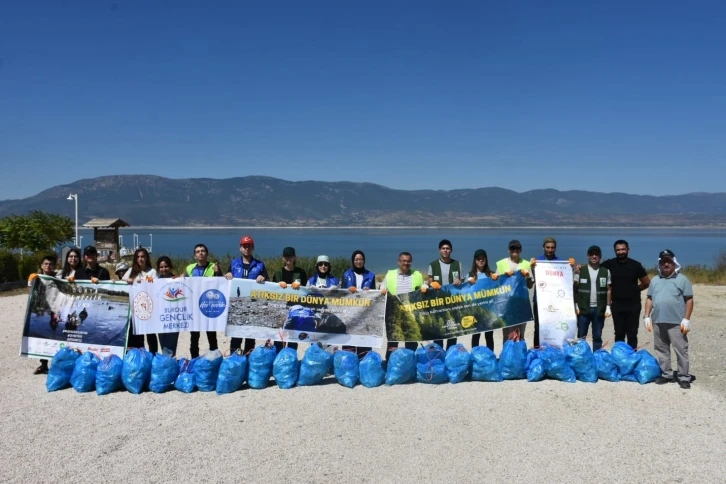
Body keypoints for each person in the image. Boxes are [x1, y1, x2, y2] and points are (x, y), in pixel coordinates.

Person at [644, 250, 694, 389]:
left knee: (681, 350)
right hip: (658, 321)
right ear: (659, 263)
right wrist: (646, 316)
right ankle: (667, 374)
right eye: (663, 261)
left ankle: (684, 377)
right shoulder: (655, 280)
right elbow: (650, 298)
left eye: (669, 261)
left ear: (674, 263)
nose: (666, 264)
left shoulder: (682, 280)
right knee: (661, 349)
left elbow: (689, 300)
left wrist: (686, 319)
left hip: (677, 322)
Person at [601, 239, 650, 348]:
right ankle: (620, 357)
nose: (621, 252)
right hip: (617, 304)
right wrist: (581, 267)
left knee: (632, 334)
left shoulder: (636, 265)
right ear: (615, 251)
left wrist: (635, 290)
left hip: (633, 304)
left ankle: (631, 358)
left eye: (623, 249)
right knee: (619, 334)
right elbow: (595, 269)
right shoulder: (609, 264)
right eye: (618, 250)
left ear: (628, 250)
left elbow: (646, 282)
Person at [225, 235, 268, 355]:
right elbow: (227, 279)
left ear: (253, 248)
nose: (247, 249)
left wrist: (263, 277)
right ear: (240, 248)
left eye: (249, 246)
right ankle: (234, 360)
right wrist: (227, 275)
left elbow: (268, 283)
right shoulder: (233, 264)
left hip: (253, 307)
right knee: (236, 337)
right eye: (244, 246)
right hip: (236, 307)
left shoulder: (260, 265)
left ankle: (248, 360)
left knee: (250, 337)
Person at [529, 237, 574, 348]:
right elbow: (532, 279)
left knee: (556, 326)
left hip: (556, 301)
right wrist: (531, 267)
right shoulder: (537, 261)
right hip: (540, 301)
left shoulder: (561, 262)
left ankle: (556, 349)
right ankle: (537, 351)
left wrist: (571, 267)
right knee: (539, 327)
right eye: (548, 247)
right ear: (543, 247)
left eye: (552, 247)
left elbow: (566, 280)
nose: (550, 250)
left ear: (555, 248)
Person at [381, 252, 425, 360]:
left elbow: (423, 288)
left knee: (411, 342)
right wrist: (382, 289)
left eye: (408, 261)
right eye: (403, 261)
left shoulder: (417, 275)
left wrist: (425, 286)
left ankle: (408, 364)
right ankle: (390, 365)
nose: (406, 263)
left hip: (411, 315)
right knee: (393, 343)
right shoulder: (390, 274)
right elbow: (382, 285)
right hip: (394, 315)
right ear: (398, 262)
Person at [182, 244, 222, 358]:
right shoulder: (190, 268)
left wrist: (218, 273)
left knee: (211, 336)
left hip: (209, 306)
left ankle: (214, 359)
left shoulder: (214, 267)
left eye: (203, 251)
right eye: (198, 251)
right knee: (194, 337)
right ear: (195, 255)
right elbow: (184, 283)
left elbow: (221, 284)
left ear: (207, 254)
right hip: (194, 307)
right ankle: (194, 359)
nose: (200, 253)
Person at [427, 239, 463, 350]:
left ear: (451, 250)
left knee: (452, 329)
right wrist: (432, 284)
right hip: (438, 302)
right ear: (439, 250)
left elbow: (461, 281)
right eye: (443, 248)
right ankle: (438, 354)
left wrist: (459, 281)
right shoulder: (433, 265)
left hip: (453, 302)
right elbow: (429, 281)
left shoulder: (457, 264)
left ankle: (450, 354)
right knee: (439, 330)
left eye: (447, 248)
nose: (445, 250)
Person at [495, 240, 533, 343]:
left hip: (521, 303)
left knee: (520, 333)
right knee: (507, 334)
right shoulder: (501, 264)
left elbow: (530, 285)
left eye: (517, 248)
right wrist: (504, 277)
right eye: (512, 248)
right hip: (506, 304)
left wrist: (528, 276)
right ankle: (507, 356)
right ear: (508, 250)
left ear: (520, 250)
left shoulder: (526, 264)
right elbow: (496, 284)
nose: (515, 250)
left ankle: (519, 356)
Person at [574, 246, 611, 351]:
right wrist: (575, 304)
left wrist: (608, 306)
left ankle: (597, 358)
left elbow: (609, 289)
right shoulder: (581, 270)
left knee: (597, 336)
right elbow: (575, 288)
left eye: (596, 254)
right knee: (581, 336)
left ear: (600, 256)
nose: (594, 256)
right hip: (583, 309)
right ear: (587, 256)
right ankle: (581, 357)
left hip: (599, 309)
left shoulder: (605, 271)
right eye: (591, 254)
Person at [272, 247, 308, 352]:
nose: (289, 258)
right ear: (283, 258)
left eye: (291, 256)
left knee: (293, 336)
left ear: (295, 257)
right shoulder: (278, 273)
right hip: (282, 308)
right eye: (286, 256)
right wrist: (278, 285)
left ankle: (291, 358)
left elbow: (305, 290)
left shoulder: (301, 272)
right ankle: (278, 356)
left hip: (296, 308)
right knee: (280, 336)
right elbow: (272, 289)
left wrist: (300, 286)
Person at [341, 250, 376, 357]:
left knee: (363, 339)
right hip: (350, 313)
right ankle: (349, 364)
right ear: (353, 261)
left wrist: (370, 291)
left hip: (364, 313)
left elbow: (375, 295)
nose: (358, 261)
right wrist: (347, 289)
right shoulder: (346, 275)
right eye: (356, 259)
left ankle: (363, 361)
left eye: (360, 259)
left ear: (364, 261)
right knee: (349, 340)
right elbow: (341, 294)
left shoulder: (371, 275)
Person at [123, 248, 159, 353]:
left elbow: (156, 286)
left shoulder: (152, 272)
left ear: (147, 258)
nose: (140, 259)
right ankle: (137, 354)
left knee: (150, 334)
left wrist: (146, 281)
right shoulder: (130, 271)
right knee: (135, 334)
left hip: (148, 309)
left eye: (143, 256)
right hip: (133, 309)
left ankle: (153, 354)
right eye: (138, 257)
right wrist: (128, 280)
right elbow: (122, 284)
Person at [27, 254, 58, 374]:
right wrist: (30, 282)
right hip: (42, 311)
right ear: (42, 266)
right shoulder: (37, 278)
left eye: (51, 264)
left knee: (54, 335)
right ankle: (43, 364)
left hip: (55, 310)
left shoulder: (59, 278)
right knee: (43, 335)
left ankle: (57, 364)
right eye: (46, 264)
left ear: (54, 266)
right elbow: (30, 294)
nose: (48, 266)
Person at [467, 249, 497, 351]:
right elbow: (465, 291)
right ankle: (475, 356)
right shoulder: (470, 275)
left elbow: (499, 288)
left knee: (489, 335)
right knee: (476, 335)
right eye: (478, 259)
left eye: (482, 258)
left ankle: (490, 356)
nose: (480, 261)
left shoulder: (491, 274)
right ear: (475, 260)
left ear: (486, 260)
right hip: (475, 310)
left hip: (489, 309)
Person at [155, 256, 179, 355]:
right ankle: (166, 363)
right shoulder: (155, 281)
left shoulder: (177, 279)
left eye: (166, 266)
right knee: (163, 343)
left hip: (173, 317)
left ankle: (170, 362)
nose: (164, 269)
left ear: (170, 267)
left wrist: (180, 279)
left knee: (172, 343)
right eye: (161, 267)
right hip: (160, 317)